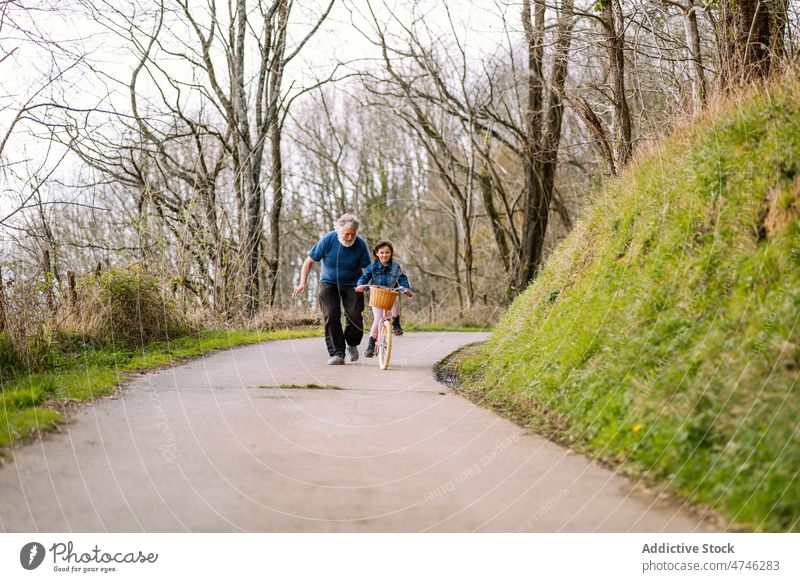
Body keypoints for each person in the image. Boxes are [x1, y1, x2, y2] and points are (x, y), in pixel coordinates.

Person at [292, 214, 371, 365]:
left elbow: (368, 268)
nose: (349, 237)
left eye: (352, 234)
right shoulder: (328, 240)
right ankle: (337, 353)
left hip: (353, 283)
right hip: (328, 283)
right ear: (338, 231)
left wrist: (367, 284)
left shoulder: (360, 244)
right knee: (331, 315)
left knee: (354, 315)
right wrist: (303, 282)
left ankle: (352, 344)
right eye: (346, 234)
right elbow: (308, 262)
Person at [355, 240, 413, 358]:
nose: (384, 255)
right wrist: (360, 285)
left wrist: (405, 288)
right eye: (382, 252)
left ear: (391, 253)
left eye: (387, 252)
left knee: (396, 298)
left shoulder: (395, 267)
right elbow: (364, 277)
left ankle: (396, 323)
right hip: (377, 295)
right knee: (377, 319)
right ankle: (371, 344)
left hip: (390, 294)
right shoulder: (372, 267)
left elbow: (402, 278)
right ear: (377, 253)